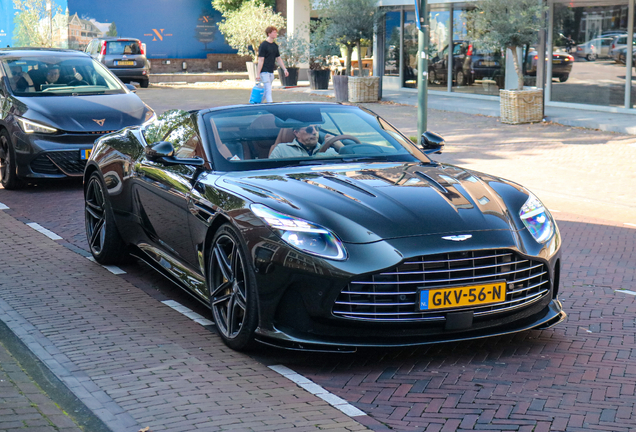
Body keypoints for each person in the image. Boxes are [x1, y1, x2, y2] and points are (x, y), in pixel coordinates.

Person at [269, 125, 344, 158]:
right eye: (309, 129)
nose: (315, 132)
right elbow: (271, 174)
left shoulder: (329, 151)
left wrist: (341, 147)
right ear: (296, 133)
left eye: (317, 128)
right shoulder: (281, 150)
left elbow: (349, 165)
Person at [255, 26, 288, 103]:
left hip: (271, 71)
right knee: (268, 90)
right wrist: (258, 74)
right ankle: (271, 104)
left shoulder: (275, 46)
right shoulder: (263, 45)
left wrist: (284, 69)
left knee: (266, 90)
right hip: (264, 71)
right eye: (274, 32)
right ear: (269, 34)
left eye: (276, 32)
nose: (276, 34)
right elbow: (260, 60)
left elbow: (278, 58)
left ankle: (257, 103)